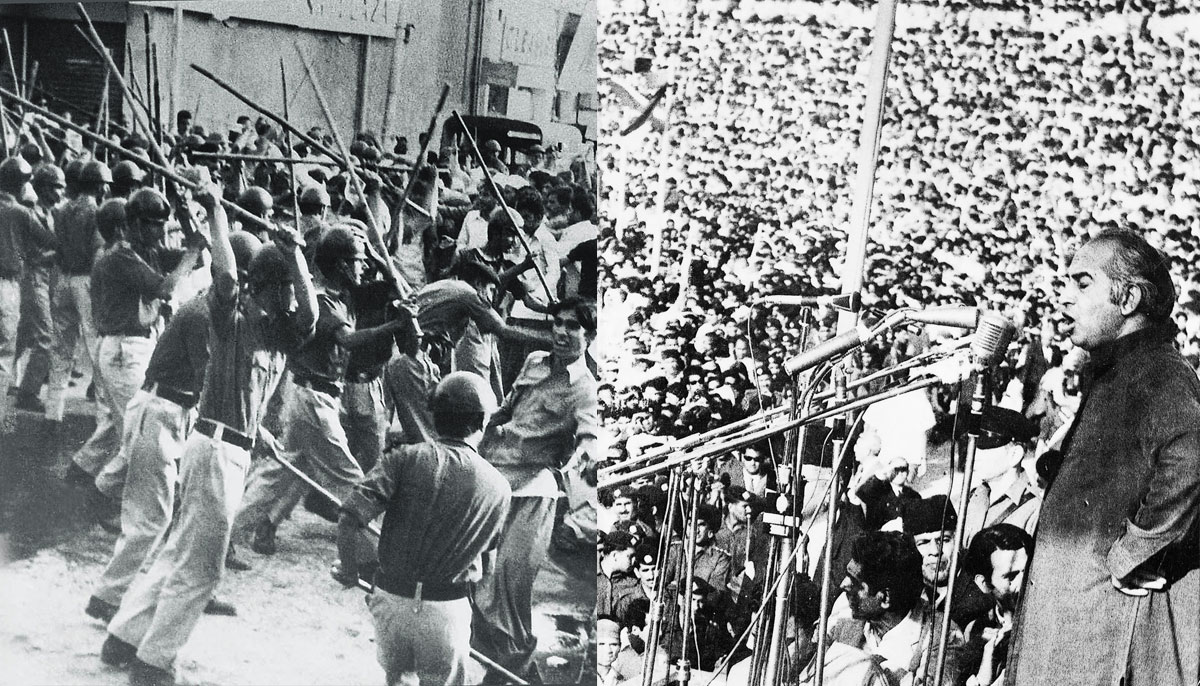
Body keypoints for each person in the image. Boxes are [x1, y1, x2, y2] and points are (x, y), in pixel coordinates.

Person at [100, 187, 316, 686]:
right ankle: (154, 662)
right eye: (283, 287)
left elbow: (309, 316)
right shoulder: (229, 316)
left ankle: (123, 637)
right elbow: (225, 275)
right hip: (216, 449)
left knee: (179, 551)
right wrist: (217, 210)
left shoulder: (277, 331)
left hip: (227, 449)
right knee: (203, 568)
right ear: (263, 285)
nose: (291, 297)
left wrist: (296, 256)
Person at [1008, 230, 1200, 686]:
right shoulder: (1119, 369)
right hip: (1076, 619)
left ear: (1129, 297)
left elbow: (1191, 454)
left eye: (1082, 283)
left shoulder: (1158, 370)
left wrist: (1135, 550)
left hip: (1102, 629)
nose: (1065, 299)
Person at [85, 230, 262, 623]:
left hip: (173, 412)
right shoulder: (205, 316)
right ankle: (108, 598)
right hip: (162, 411)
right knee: (152, 519)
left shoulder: (214, 312)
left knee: (181, 513)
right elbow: (209, 382)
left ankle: (183, 587)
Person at [239, 225, 410, 556]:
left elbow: (392, 285)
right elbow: (347, 339)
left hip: (311, 398)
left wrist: (379, 259)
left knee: (283, 475)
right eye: (358, 262)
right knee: (350, 478)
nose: (363, 267)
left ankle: (238, 529)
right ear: (342, 266)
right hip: (313, 400)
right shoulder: (323, 299)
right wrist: (395, 325)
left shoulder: (343, 293)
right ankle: (378, 552)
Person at [333, 371, 511, 686]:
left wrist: (349, 569)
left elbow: (349, 519)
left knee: (397, 678)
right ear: (483, 422)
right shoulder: (498, 486)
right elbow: (487, 569)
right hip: (446, 608)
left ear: (435, 414)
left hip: (390, 599)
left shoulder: (404, 458)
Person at [471, 296, 599, 682]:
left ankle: (520, 671)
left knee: (510, 585)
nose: (561, 331)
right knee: (477, 576)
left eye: (573, 326)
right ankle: (500, 666)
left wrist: (587, 456)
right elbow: (505, 409)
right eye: (558, 322)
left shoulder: (586, 389)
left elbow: (589, 435)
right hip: (490, 479)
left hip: (532, 493)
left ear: (589, 336)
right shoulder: (533, 362)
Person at [67, 188, 205, 490]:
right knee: (137, 429)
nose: (160, 230)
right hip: (123, 349)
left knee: (124, 423)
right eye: (155, 224)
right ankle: (110, 492)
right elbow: (167, 288)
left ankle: (81, 470)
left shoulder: (146, 251)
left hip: (132, 347)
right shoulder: (119, 256)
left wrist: (185, 215)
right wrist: (192, 249)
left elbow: (199, 259)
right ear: (136, 224)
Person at [831, 530, 962, 686]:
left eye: (856, 582)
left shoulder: (943, 638)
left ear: (885, 598)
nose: (843, 585)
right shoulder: (844, 619)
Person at [44, 160, 109, 423]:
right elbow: (96, 252)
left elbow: (56, 247)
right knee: (97, 349)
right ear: (99, 185)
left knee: (61, 349)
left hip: (63, 278)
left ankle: (53, 413)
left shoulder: (62, 210)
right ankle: (103, 418)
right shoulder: (96, 212)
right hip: (84, 280)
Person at [0, 156, 56, 431]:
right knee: (4, 353)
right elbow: (48, 240)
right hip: (8, 283)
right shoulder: (21, 212)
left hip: (13, 280)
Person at [11, 163, 65, 412]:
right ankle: (28, 391)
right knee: (46, 337)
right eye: (55, 188)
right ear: (42, 188)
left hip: (46, 278)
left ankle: (12, 379)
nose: (60, 193)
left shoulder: (54, 213)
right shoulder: (30, 213)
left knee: (23, 334)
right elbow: (35, 251)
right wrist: (59, 251)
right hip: (33, 277)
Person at [956, 524, 1032, 686]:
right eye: (1010, 576)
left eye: (1028, 571)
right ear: (984, 584)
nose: (1023, 582)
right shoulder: (976, 630)